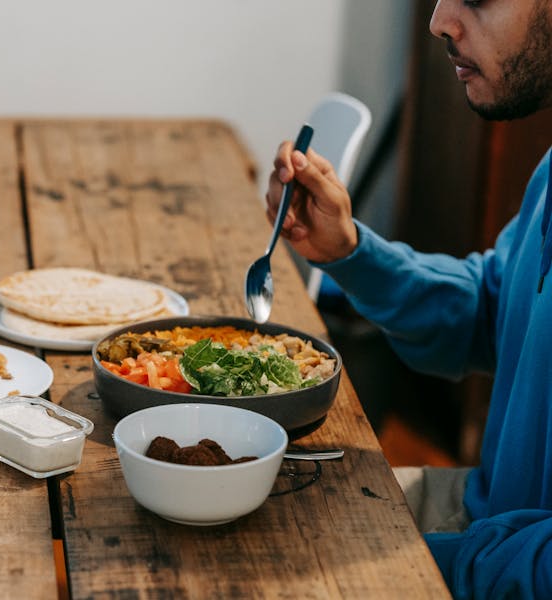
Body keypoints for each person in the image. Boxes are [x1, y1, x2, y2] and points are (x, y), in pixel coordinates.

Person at [266, 0, 552, 598]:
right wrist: (349, 253)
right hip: (489, 521)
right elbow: (495, 313)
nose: (440, 19)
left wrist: (416, 565)